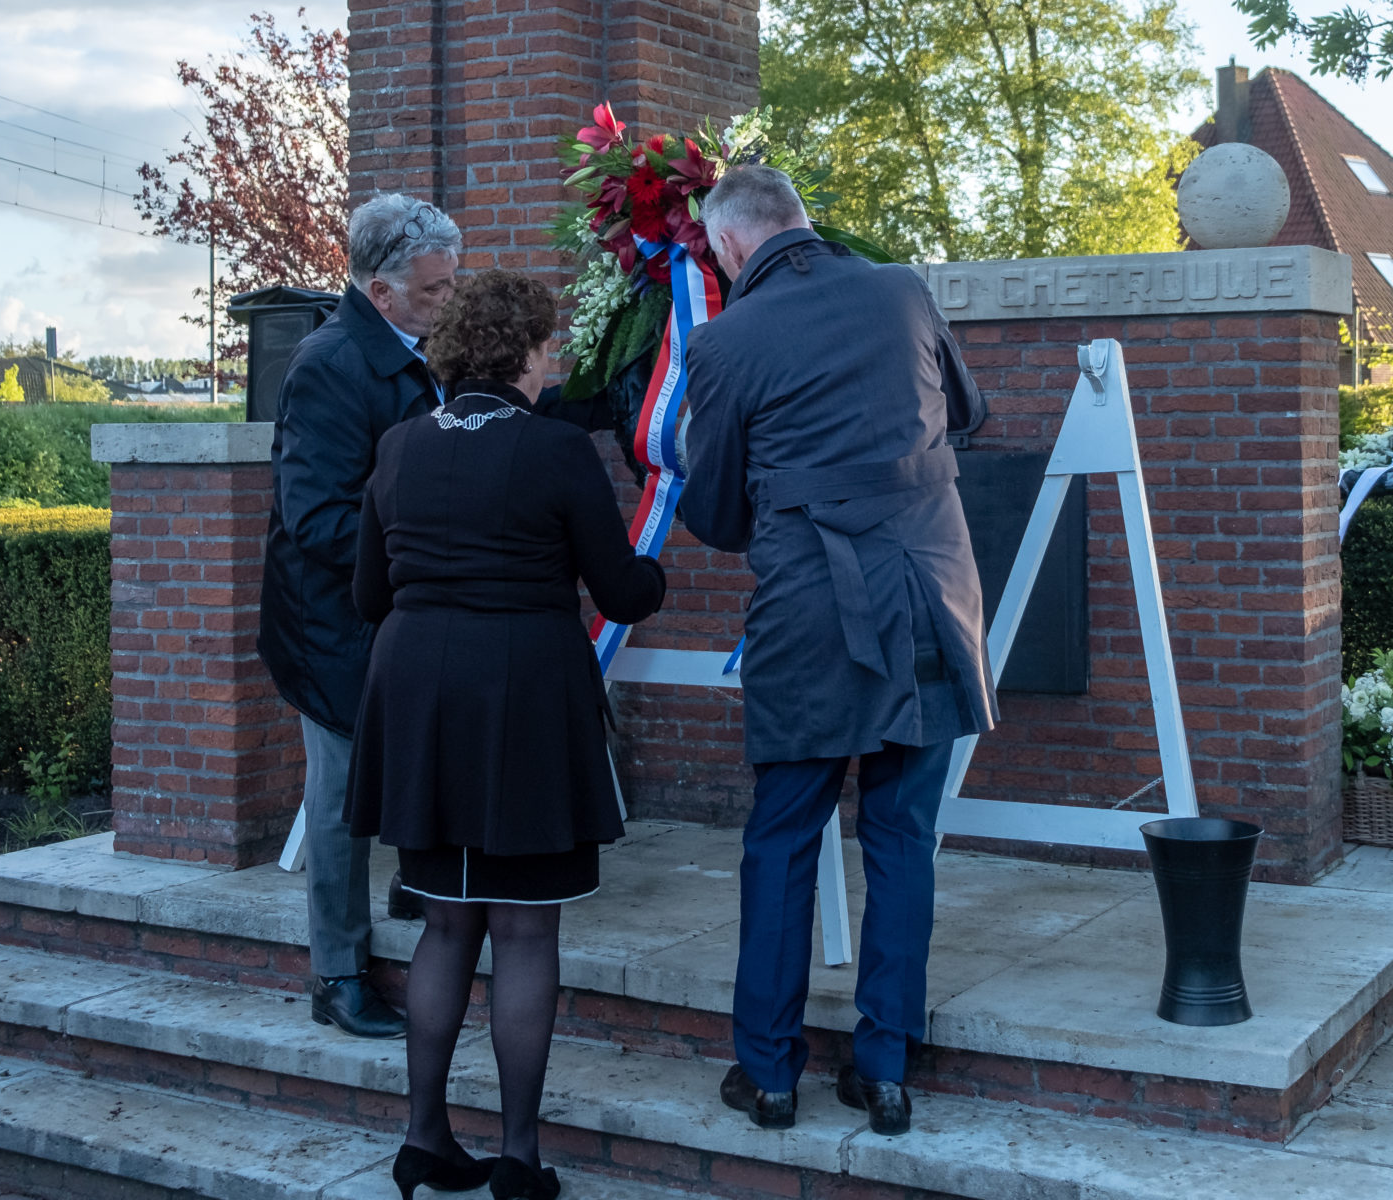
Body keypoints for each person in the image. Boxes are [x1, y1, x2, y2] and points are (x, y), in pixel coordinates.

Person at [680, 166, 998, 1137]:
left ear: (730, 247)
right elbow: (970, 416)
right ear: (799, 222)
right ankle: (884, 1071)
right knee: (902, 834)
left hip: (812, 608)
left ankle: (769, 1076)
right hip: (933, 596)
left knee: (781, 838)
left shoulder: (724, 339)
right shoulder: (901, 287)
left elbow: (718, 510)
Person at [346, 270, 666, 1200]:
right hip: (523, 695)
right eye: (547, 346)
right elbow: (618, 590)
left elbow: (370, 595)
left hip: (419, 699)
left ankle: (422, 1140)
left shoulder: (400, 447)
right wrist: (654, 572)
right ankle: (519, 1160)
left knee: (446, 926)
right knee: (524, 933)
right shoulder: (556, 450)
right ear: (527, 354)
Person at [258, 193, 458, 1039]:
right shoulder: (331, 364)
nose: (451, 299)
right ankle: (337, 975)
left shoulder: (411, 349)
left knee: (418, 758)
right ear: (382, 293)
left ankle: (412, 885)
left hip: (393, 609)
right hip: (333, 623)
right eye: (436, 289)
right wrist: (427, 545)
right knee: (340, 801)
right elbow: (316, 518)